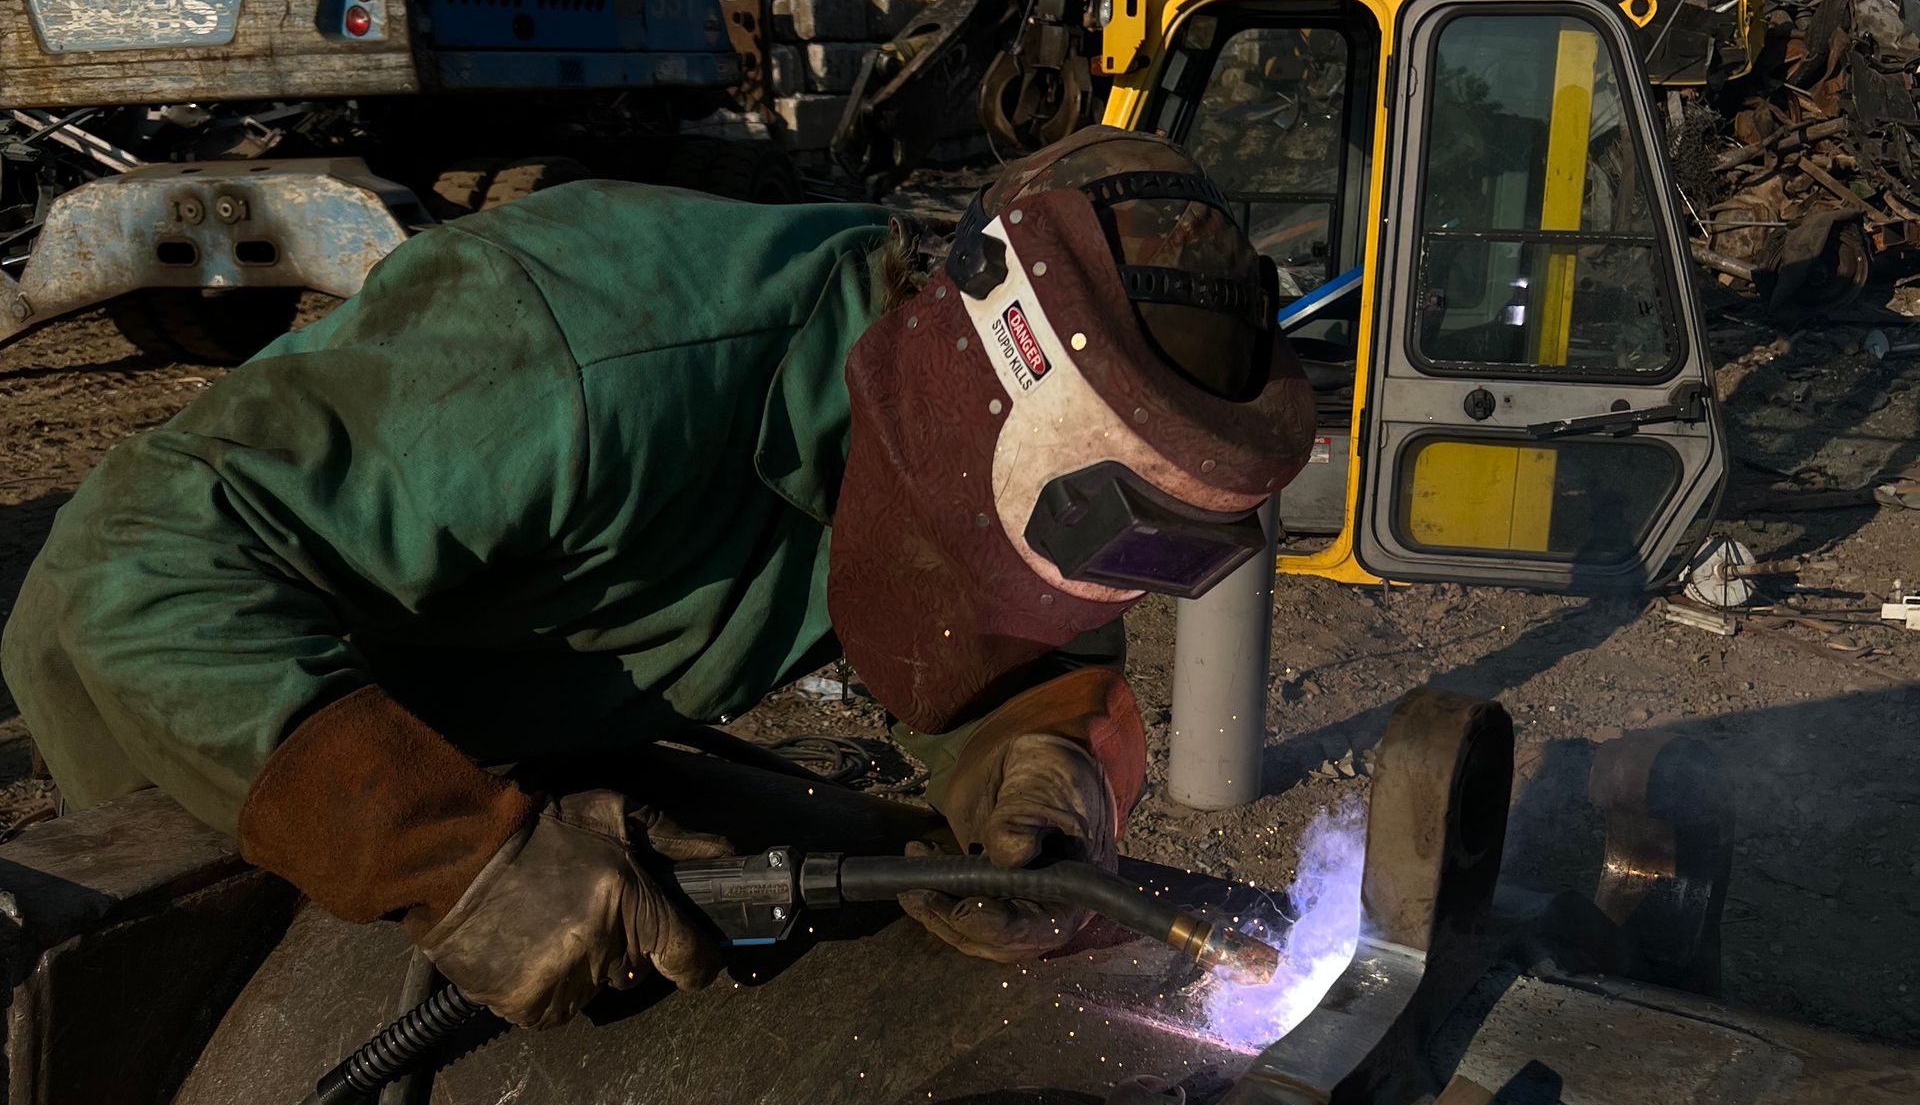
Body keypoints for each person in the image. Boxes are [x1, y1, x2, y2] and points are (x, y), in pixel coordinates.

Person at [3, 128, 1314, 1026]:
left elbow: (1022, 643)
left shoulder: (935, 434)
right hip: (223, 726)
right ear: (982, 381)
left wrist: (1036, 768)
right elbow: (134, 565)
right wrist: (448, 860)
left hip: (507, 717)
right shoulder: (582, 353)